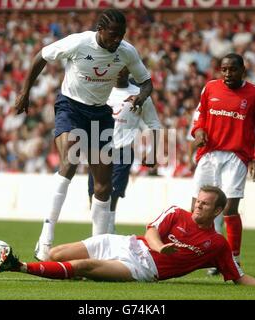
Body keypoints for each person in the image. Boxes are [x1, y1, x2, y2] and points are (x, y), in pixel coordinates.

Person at [14, 9, 153, 261]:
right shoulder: (78, 42)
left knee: (103, 185)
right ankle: (45, 239)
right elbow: (41, 56)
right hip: (70, 107)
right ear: (100, 30)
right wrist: (25, 93)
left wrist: (141, 97)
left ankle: (97, 252)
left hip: (100, 113)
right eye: (112, 35)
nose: (116, 41)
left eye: (121, 36)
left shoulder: (126, 51)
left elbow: (146, 81)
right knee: (70, 160)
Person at [0, 185, 255, 288]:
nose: (197, 206)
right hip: (124, 243)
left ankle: (17, 266)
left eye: (204, 204)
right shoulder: (177, 212)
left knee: (84, 266)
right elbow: (151, 230)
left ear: (217, 211)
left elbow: (238, 277)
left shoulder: (217, 245)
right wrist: (162, 246)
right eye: (197, 201)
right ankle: (69, 272)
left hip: (142, 269)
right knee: (55, 254)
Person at [191, 53, 255, 275]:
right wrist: (198, 132)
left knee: (229, 208)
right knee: (198, 209)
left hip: (236, 157)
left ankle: (234, 259)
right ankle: (203, 257)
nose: (228, 74)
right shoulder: (210, 88)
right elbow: (199, 117)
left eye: (233, 69)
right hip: (208, 155)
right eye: (224, 69)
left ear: (243, 70)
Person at [87, 66, 161, 234]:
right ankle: (101, 238)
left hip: (122, 151)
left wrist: (152, 152)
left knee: (111, 196)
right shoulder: (99, 89)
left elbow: (154, 124)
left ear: (129, 68)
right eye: (116, 66)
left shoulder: (140, 94)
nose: (119, 70)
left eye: (123, 67)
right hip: (98, 151)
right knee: (94, 197)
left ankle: (106, 238)